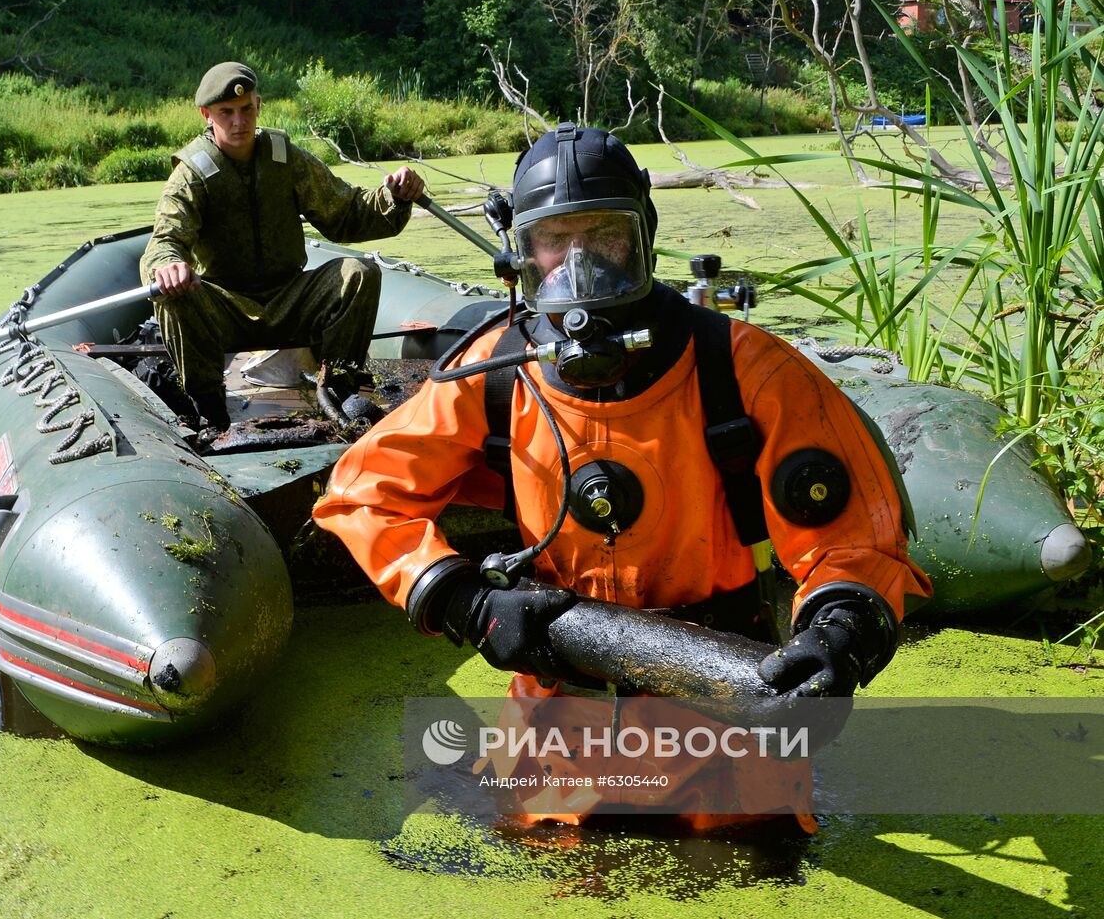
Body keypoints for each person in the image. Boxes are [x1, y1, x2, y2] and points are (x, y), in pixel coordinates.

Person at [313, 123, 931, 829]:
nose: (580, 268)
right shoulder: (495, 376)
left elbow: (858, 541)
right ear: (524, 253)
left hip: (727, 749)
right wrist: (465, 600)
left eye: (604, 237)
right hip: (551, 752)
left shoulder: (746, 373)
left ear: (643, 237)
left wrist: (838, 634)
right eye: (555, 241)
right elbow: (362, 493)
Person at [140, 61, 425, 429]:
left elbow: (345, 213)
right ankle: (208, 411)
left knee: (359, 273)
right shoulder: (191, 176)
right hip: (226, 308)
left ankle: (339, 390)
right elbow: (164, 240)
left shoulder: (285, 159)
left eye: (246, 110)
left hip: (291, 298)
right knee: (175, 296)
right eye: (226, 113)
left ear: (258, 105)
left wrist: (394, 196)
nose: (239, 121)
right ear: (206, 115)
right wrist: (168, 265)